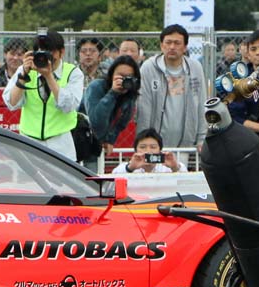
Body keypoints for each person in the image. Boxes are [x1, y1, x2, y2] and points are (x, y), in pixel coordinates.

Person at [3, 29, 83, 160]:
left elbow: (69, 105)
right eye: (41, 51)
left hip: (60, 143)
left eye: (50, 51)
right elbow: (11, 102)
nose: (46, 56)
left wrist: (49, 76)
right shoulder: (26, 70)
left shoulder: (73, 73)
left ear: (62, 52)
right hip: (29, 142)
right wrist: (23, 76)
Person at [136, 24, 207, 159]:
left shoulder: (195, 68)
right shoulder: (149, 67)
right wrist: (144, 143)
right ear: (161, 45)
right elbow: (144, 107)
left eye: (177, 43)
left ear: (185, 47)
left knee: (179, 172)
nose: (172, 47)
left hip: (185, 143)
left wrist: (202, 138)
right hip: (154, 144)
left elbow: (201, 103)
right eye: (168, 42)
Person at [84, 55, 140, 161]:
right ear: (111, 75)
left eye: (129, 77)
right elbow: (96, 123)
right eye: (121, 76)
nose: (125, 81)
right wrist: (113, 93)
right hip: (83, 140)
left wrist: (110, 140)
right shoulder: (96, 87)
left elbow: (121, 124)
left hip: (99, 147)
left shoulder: (129, 94)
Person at [111, 127, 186, 174]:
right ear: (136, 150)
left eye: (153, 147)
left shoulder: (168, 166)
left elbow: (186, 180)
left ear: (160, 150)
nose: (148, 151)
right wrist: (130, 168)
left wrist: (175, 167)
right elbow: (114, 177)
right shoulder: (129, 166)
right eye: (142, 147)